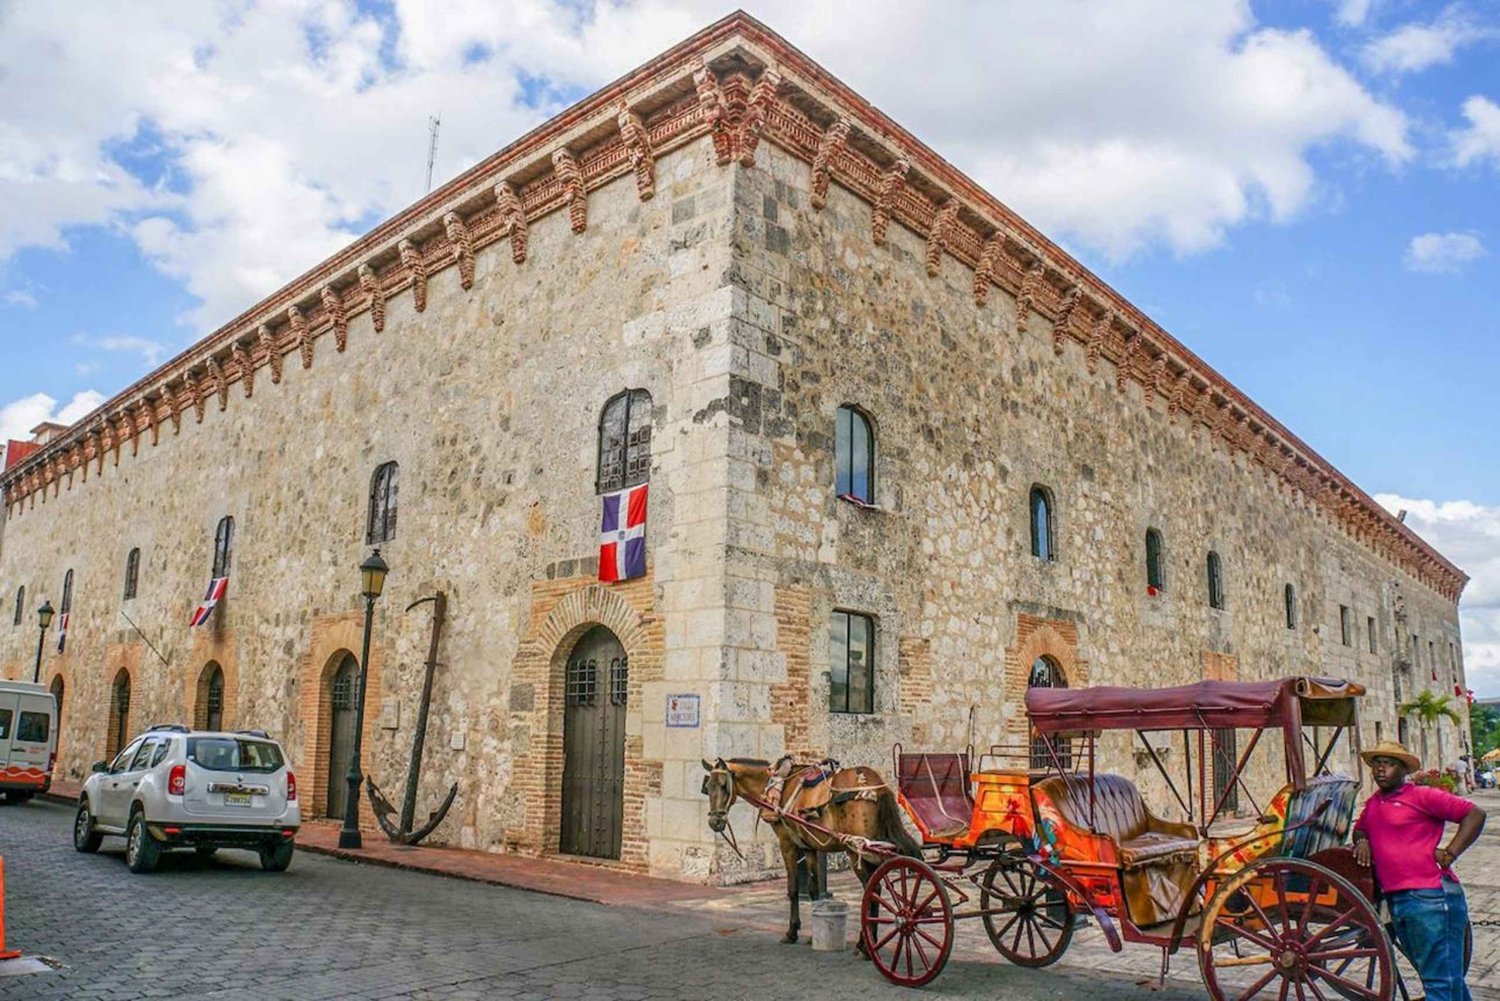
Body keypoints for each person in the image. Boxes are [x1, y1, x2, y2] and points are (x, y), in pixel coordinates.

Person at [1354, 741, 1486, 1001]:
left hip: (1430, 897)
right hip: (1399, 900)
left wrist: (1451, 852)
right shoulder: (1375, 803)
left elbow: (1474, 813)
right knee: (1444, 980)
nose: (1381, 770)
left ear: (1403, 770)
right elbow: (1361, 827)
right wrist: (1362, 840)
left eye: (1389, 764)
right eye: (1377, 764)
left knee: (1440, 984)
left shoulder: (1422, 796)